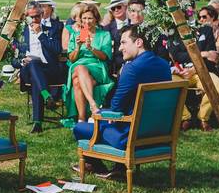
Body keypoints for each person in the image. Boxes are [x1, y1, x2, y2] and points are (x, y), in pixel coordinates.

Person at [72, 25, 171, 177]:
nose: (120, 48)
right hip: (158, 134)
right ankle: (118, 167)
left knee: (81, 127)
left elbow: (116, 108)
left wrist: (97, 114)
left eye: (124, 43)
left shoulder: (132, 68)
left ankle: (96, 165)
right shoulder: (164, 66)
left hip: (131, 137)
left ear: (138, 42)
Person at [13, 1, 65, 133]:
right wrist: (22, 61)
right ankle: (47, 97)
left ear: (42, 15)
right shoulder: (21, 33)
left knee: (37, 75)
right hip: (27, 71)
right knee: (33, 64)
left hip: (49, 70)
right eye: (31, 17)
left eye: (37, 16)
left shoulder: (51, 30)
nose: (34, 19)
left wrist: (41, 35)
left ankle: (38, 122)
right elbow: (13, 60)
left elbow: (57, 49)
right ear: (26, 17)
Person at [61, 4, 115, 124]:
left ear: (96, 19)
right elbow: (72, 59)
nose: (87, 21)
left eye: (90, 18)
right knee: (79, 68)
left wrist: (91, 48)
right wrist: (78, 47)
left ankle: (81, 119)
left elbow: (105, 56)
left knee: (77, 82)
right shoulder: (77, 34)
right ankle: (93, 106)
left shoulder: (103, 34)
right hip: (78, 65)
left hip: (97, 66)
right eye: (84, 18)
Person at [103, 0, 130, 75]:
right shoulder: (106, 29)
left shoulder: (134, 24)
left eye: (119, 7)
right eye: (113, 8)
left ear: (125, 7)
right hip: (115, 66)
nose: (116, 10)